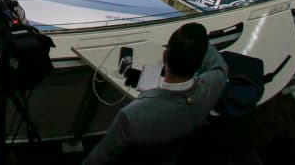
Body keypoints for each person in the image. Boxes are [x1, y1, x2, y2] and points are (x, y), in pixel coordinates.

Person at [82, 22, 227, 165]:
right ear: (199, 62)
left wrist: (185, 42)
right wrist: (195, 44)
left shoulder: (131, 115)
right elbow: (220, 65)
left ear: (165, 56)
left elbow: (97, 160)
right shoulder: (211, 88)